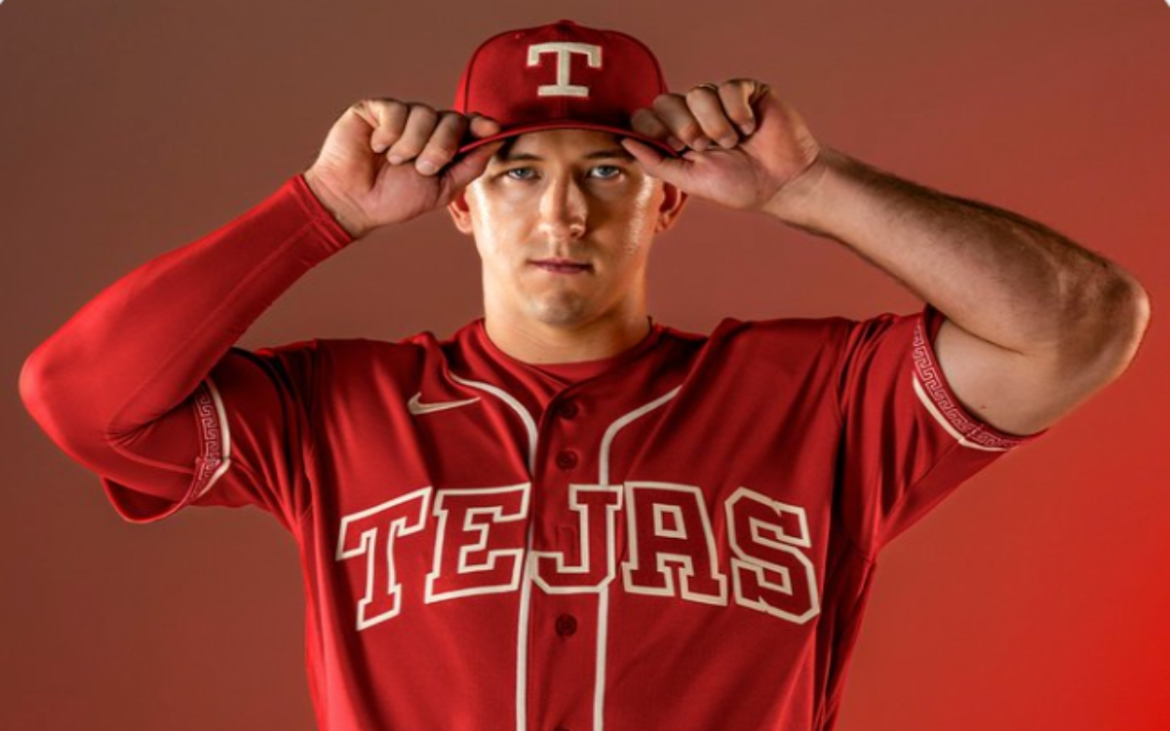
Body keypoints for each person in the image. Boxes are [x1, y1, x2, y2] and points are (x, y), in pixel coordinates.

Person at [18, 17, 1148, 731]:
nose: (562, 212)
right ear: (460, 203)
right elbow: (80, 399)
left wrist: (813, 185)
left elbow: (1084, 324)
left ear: (668, 200)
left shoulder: (819, 401)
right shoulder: (337, 410)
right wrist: (319, 210)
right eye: (517, 172)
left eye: (607, 170)